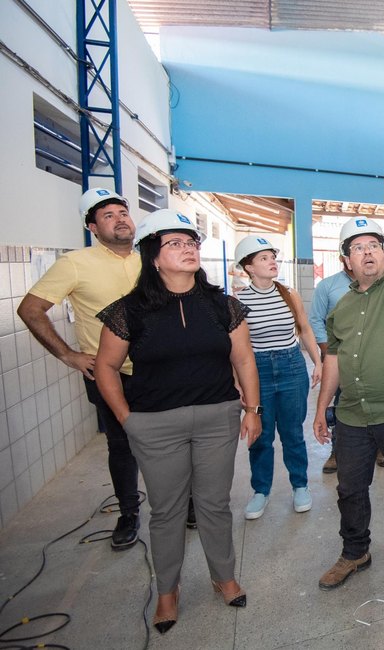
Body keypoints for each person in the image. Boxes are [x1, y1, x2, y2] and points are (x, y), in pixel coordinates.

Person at [93, 209, 261, 634]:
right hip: (154, 423)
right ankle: (167, 591)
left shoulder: (223, 305)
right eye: (176, 243)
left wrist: (252, 410)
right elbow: (106, 367)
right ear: (153, 255)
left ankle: (223, 576)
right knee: (166, 511)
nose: (188, 249)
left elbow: (243, 358)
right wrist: (126, 418)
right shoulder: (129, 310)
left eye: (192, 243)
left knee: (214, 505)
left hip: (216, 419)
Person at [313, 176, 384, 593]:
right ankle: (355, 550)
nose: (368, 252)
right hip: (353, 412)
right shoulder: (341, 307)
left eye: (374, 245)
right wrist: (322, 407)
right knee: (349, 487)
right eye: (358, 247)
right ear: (346, 261)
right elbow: (334, 359)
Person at [17, 188, 143, 550]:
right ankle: (129, 513)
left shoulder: (149, 259)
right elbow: (30, 309)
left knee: (173, 439)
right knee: (122, 446)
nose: (120, 219)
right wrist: (68, 355)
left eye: (122, 212)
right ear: (92, 226)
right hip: (110, 373)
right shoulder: (75, 263)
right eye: (108, 215)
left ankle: (187, 504)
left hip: (158, 369)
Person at [234, 236, 322, 518]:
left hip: (292, 366)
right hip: (256, 370)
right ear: (248, 267)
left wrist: (317, 361)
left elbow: (305, 329)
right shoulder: (237, 301)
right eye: (263, 258)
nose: (272, 261)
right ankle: (261, 491)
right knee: (260, 434)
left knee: (293, 432)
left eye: (272, 256)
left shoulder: (289, 293)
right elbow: (236, 347)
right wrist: (237, 381)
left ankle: (300, 485)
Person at [308, 247, 354, 474]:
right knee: (342, 404)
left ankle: (379, 448)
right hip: (341, 357)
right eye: (354, 251)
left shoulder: (381, 285)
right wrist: (327, 351)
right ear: (343, 258)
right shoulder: (328, 286)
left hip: (371, 358)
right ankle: (337, 451)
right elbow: (315, 320)